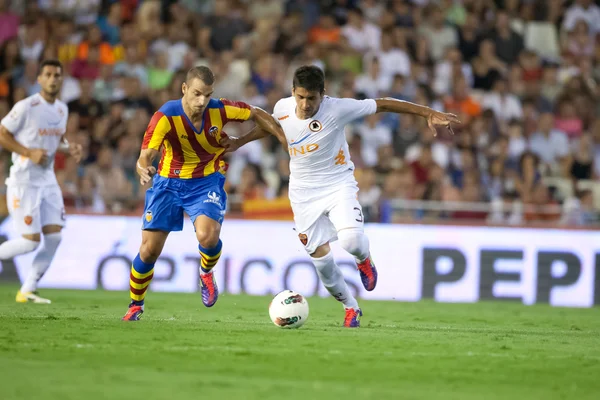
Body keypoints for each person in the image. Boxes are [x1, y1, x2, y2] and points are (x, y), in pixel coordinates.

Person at [224, 66, 459, 327]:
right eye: (300, 97)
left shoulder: (337, 109)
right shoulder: (282, 107)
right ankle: (351, 308)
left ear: (322, 95)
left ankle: (363, 259)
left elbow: (382, 105)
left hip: (338, 185)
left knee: (351, 241)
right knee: (322, 263)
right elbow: (270, 127)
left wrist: (428, 113)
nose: (304, 104)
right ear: (293, 92)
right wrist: (239, 141)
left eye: (311, 98)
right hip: (302, 194)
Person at [122, 65, 286, 321]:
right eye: (197, 93)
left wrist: (262, 139)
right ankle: (135, 305)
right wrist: (143, 169)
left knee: (207, 237)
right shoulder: (165, 116)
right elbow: (145, 156)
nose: (202, 101)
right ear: (184, 89)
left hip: (205, 181)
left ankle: (206, 273)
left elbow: (258, 114)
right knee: (148, 251)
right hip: (167, 183)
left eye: (207, 95)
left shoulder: (219, 109)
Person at [0, 59, 83, 304]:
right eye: (48, 74)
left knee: (55, 237)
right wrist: (27, 152)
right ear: (39, 79)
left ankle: (28, 289)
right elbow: (2, 133)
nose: (53, 79)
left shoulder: (62, 109)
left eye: (57, 75)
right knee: (29, 243)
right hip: (24, 181)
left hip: (47, 180)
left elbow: (53, 142)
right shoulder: (27, 106)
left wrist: (70, 149)